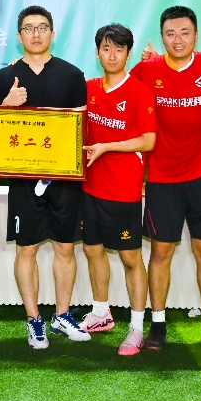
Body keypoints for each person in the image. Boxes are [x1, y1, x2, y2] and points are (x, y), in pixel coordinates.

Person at [131, 5, 201, 352]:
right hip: (162, 179)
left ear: (196, 35)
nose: (177, 39)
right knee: (161, 252)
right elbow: (117, 88)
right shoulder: (147, 71)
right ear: (162, 37)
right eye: (170, 33)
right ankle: (158, 323)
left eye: (184, 32)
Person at [0, 5, 90, 349]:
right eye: (29, 28)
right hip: (23, 181)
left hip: (63, 179)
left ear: (52, 33)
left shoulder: (72, 75)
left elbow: (79, 126)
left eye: (42, 27)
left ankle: (62, 315)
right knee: (26, 249)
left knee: (65, 247)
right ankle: (34, 320)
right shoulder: (5, 77)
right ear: (19, 36)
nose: (36, 33)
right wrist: (7, 105)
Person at [78, 23, 156, 356]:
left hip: (123, 189)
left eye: (119, 49)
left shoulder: (139, 91)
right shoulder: (87, 88)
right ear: (97, 53)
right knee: (92, 249)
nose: (112, 55)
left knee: (130, 257)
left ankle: (136, 327)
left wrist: (107, 146)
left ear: (128, 53)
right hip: (90, 187)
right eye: (106, 48)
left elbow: (148, 140)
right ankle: (101, 313)